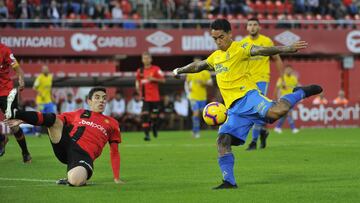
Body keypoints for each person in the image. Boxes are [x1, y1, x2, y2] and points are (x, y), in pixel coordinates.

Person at [172, 19, 322, 189]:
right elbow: (199, 65)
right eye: (215, 39)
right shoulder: (216, 57)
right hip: (234, 110)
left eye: (221, 37)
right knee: (222, 141)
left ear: (229, 34)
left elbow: (261, 50)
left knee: (277, 112)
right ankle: (229, 181)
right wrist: (181, 70)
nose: (218, 41)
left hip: (249, 98)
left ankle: (300, 92)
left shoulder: (240, 48)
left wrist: (286, 48)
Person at [4, 87, 123, 186]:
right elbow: (52, 119)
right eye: (97, 98)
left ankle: (71, 177)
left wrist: (116, 177)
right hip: (66, 144)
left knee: (76, 181)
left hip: (83, 155)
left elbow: (115, 152)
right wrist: (23, 120)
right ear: (89, 101)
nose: (101, 101)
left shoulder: (112, 123)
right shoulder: (80, 113)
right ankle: (16, 112)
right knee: (53, 119)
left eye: (104, 98)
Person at [241, 18, 284, 150]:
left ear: (259, 27)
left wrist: (282, 78)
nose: (252, 27)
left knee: (257, 108)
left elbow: (276, 58)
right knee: (250, 111)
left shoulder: (266, 41)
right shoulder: (243, 43)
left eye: (255, 25)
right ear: (247, 28)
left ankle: (253, 141)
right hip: (247, 81)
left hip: (261, 79)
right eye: (250, 25)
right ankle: (263, 132)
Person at [0, 43, 32, 163]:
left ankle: (25, 152)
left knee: (13, 125)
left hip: (5, 92)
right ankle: (2, 139)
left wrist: (21, 79)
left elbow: (17, 68)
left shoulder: (5, 50)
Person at [136, 52, 165, 141]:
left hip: (155, 98)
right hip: (145, 98)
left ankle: (154, 128)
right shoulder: (140, 71)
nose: (146, 60)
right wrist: (138, 89)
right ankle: (147, 135)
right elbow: (137, 81)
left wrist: (153, 79)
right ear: (142, 60)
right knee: (144, 116)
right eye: (144, 58)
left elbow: (163, 80)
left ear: (151, 59)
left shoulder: (156, 69)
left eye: (147, 58)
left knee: (154, 117)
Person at [186, 57, 213, 138]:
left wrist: (203, 83)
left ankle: (194, 130)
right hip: (193, 97)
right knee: (196, 113)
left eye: (198, 62)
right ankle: (196, 132)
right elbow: (187, 83)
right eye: (195, 62)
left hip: (202, 97)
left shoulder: (206, 72)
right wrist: (188, 88)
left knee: (201, 115)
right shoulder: (190, 72)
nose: (196, 64)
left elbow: (211, 83)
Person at [273, 65, 300, 134]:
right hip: (284, 98)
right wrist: (275, 98)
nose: (288, 71)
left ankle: (278, 127)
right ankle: (293, 128)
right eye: (287, 69)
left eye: (290, 70)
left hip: (292, 98)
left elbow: (297, 87)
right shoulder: (282, 78)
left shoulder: (294, 78)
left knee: (285, 114)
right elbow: (277, 88)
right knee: (289, 112)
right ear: (285, 70)